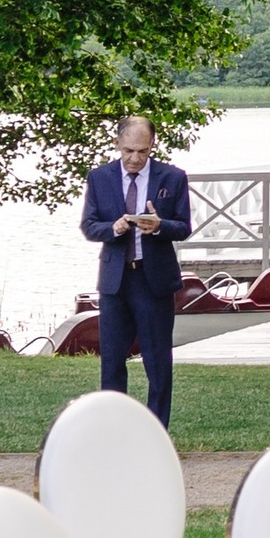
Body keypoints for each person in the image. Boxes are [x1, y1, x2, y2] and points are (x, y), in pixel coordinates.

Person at [82, 113, 191, 428]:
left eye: (142, 152)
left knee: (158, 363)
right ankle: (114, 430)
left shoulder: (171, 178)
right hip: (116, 281)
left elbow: (183, 227)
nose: (134, 158)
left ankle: (157, 432)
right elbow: (89, 226)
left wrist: (158, 226)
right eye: (129, 150)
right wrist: (113, 228)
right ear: (117, 143)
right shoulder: (99, 178)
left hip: (153, 279)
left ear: (152, 146)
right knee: (112, 362)